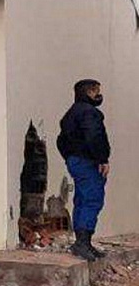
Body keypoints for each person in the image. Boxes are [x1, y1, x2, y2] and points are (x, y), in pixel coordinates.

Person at [56, 79, 111, 261]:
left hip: (76, 161)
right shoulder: (89, 112)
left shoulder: (70, 114)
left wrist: (69, 157)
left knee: (82, 198)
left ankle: (83, 243)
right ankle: (82, 243)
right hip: (88, 162)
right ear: (89, 92)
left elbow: (60, 141)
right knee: (92, 198)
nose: (99, 95)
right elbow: (94, 136)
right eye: (96, 91)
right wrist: (102, 158)